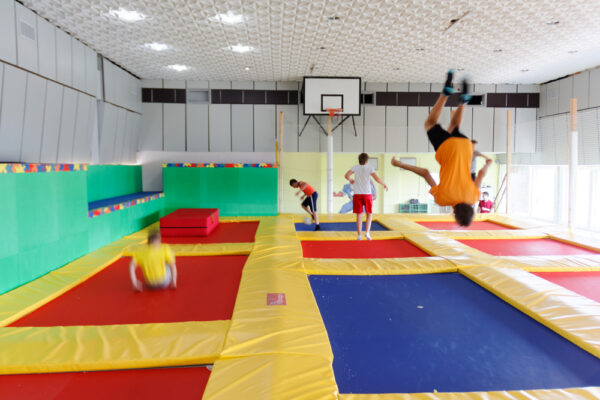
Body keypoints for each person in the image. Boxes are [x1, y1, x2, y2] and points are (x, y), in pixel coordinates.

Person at [391, 69, 492, 227]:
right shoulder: (443, 199)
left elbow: (480, 173)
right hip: (448, 149)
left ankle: (462, 102)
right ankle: (445, 94)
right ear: (455, 215)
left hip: (466, 146)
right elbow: (425, 173)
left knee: (454, 126)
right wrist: (400, 164)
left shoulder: (474, 197)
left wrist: (488, 164)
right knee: (430, 123)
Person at [344, 153, 388, 240]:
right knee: (369, 214)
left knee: (359, 215)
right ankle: (367, 233)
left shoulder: (355, 167)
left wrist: (351, 180)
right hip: (367, 194)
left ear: (359, 160)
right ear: (367, 161)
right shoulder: (370, 168)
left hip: (357, 194)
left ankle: (359, 235)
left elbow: (346, 175)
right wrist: (384, 184)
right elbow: (376, 179)